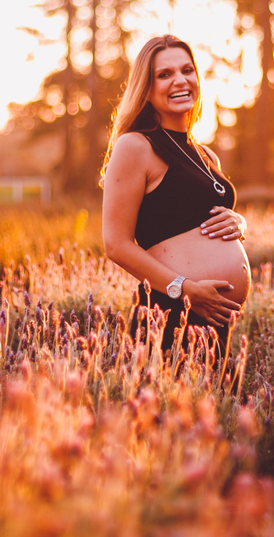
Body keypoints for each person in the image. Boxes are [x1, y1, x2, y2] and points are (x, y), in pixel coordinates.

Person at [100, 34, 249, 352]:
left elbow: (194, 216)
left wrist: (239, 224)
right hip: (171, 311)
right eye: (164, 74)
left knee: (212, 401)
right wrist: (185, 289)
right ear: (147, 87)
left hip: (216, 316)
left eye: (187, 70)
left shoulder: (206, 154)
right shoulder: (136, 146)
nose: (180, 80)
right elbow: (116, 244)